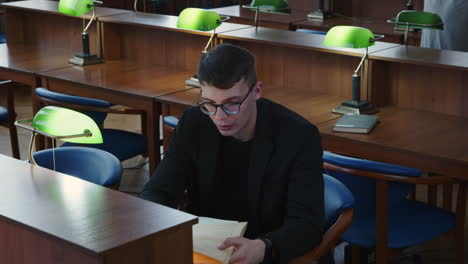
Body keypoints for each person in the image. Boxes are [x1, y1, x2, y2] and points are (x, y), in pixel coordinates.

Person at [140, 43, 326, 263]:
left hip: (266, 251)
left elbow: (307, 224)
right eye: (210, 103)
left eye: (232, 103)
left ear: (257, 91)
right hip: (207, 251)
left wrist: (263, 246)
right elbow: (157, 192)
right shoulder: (193, 123)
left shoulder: (298, 136)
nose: (219, 116)